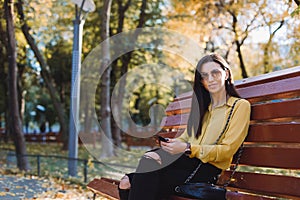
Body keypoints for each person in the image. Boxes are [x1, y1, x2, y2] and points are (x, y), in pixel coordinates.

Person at [118, 53, 251, 200]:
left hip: (206, 170)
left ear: (226, 74)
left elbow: (227, 150)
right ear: (201, 82)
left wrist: (188, 148)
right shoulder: (202, 109)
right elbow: (185, 138)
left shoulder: (239, 106)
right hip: (184, 165)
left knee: (139, 177)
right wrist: (172, 145)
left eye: (215, 73)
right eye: (205, 76)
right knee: (128, 181)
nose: (211, 79)